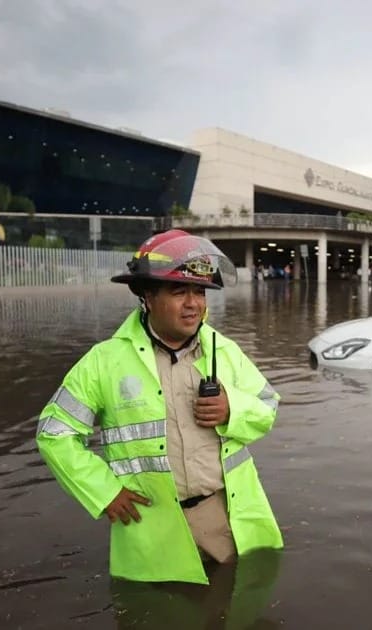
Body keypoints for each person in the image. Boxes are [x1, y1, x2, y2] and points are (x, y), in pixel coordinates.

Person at [35, 229, 283, 585]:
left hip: (223, 516)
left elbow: (267, 405)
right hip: (149, 525)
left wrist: (233, 409)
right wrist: (105, 492)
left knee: (237, 601)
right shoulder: (104, 362)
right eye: (179, 291)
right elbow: (54, 433)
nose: (193, 304)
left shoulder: (225, 351)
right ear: (148, 296)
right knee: (162, 605)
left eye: (199, 292)